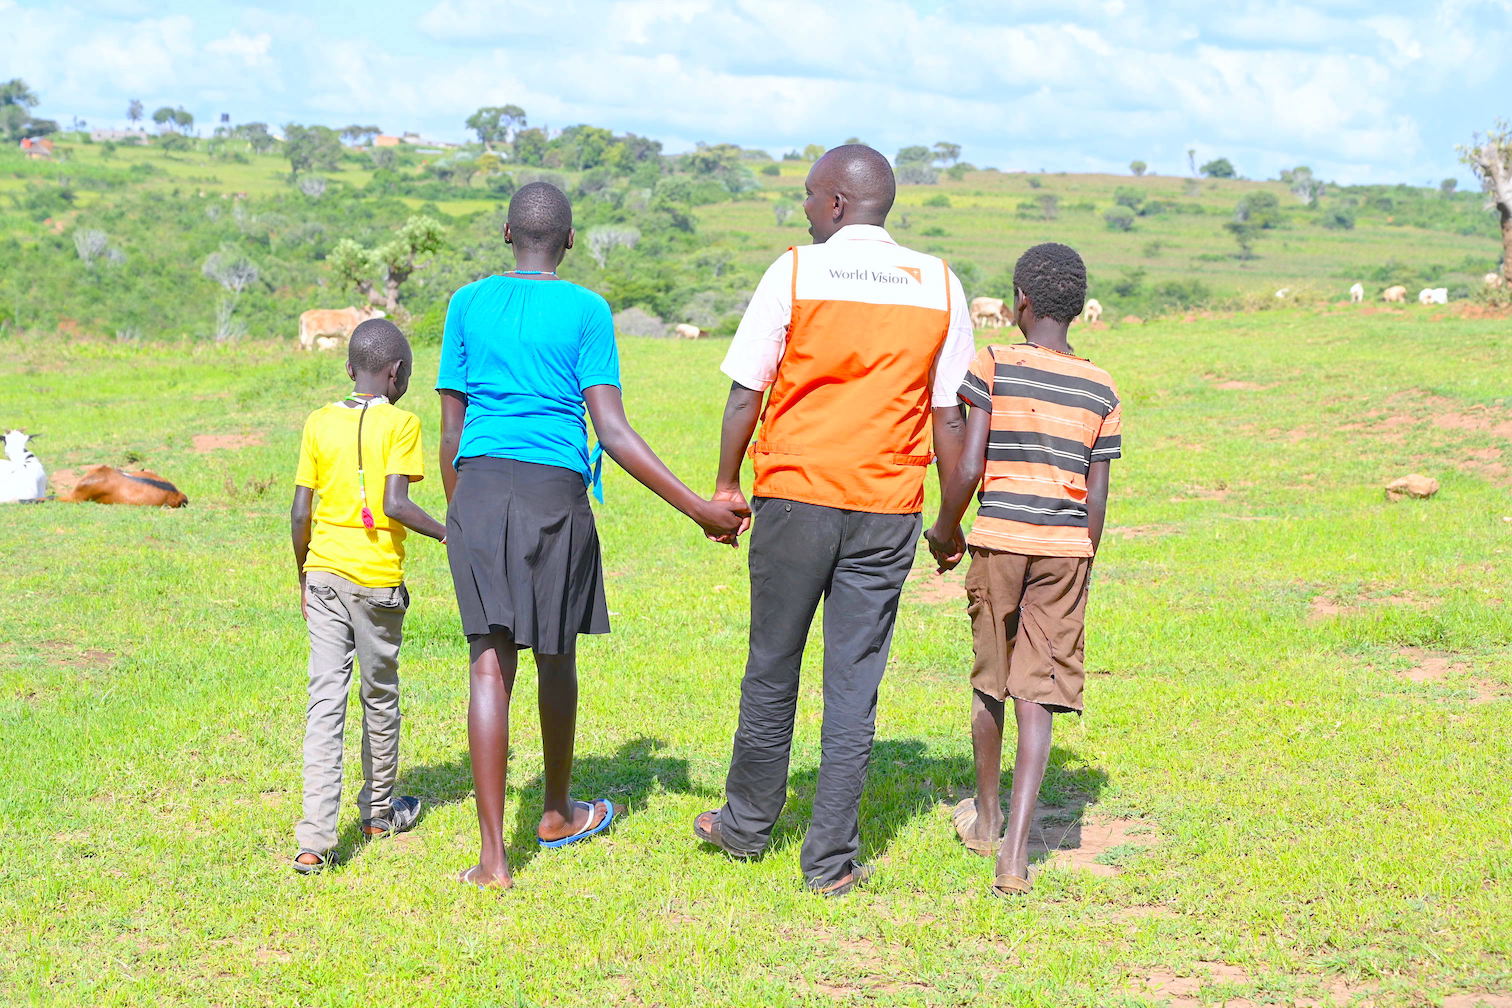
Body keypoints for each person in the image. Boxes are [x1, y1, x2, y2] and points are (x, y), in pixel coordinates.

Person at [438, 181, 749, 891]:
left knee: (489, 666)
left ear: (505, 233)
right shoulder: (586, 309)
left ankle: (493, 860)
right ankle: (554, 814)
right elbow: (610, 431)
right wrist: (699, 509)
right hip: (554, 494)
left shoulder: (466, 303)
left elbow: (452, 431)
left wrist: (461, 521)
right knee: (555, 655)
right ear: (569, 241)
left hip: (480, 490)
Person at [694, 144, 975, 896]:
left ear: (840, 204)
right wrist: (947, 521)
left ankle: (747, 826)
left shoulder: (794, 271)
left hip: (795, 497)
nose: (807, 211)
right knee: (854, 684)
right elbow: (950, 421)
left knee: (772, 665)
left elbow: (744, 392)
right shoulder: (940, 283)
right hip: (887, 510)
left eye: (812, 199)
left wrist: (726, 483)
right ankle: (830, 863)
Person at [924, 242, 1122, 898]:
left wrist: (945, 528)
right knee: (1040, 692)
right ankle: (1015, 855)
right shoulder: (1102, 386)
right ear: (1076, 309)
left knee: (992, 681)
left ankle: (985, 819)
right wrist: (1082, 561)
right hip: (1066, 551)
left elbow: (971, 465)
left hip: (998, 540)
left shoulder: (995, 363)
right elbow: (1096, 499)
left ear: (1021, 303)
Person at [289, 318, 447, 874]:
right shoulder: (403, 423)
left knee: (324, 702)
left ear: (350, 368)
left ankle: (313, 840)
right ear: (396, 372)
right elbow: (396, 504)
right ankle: (379, 813)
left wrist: (302, 574)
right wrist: (451, 533)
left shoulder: (317, 422)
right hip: (377, 585)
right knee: (379, 696)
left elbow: (301, 511)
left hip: (324, 575)